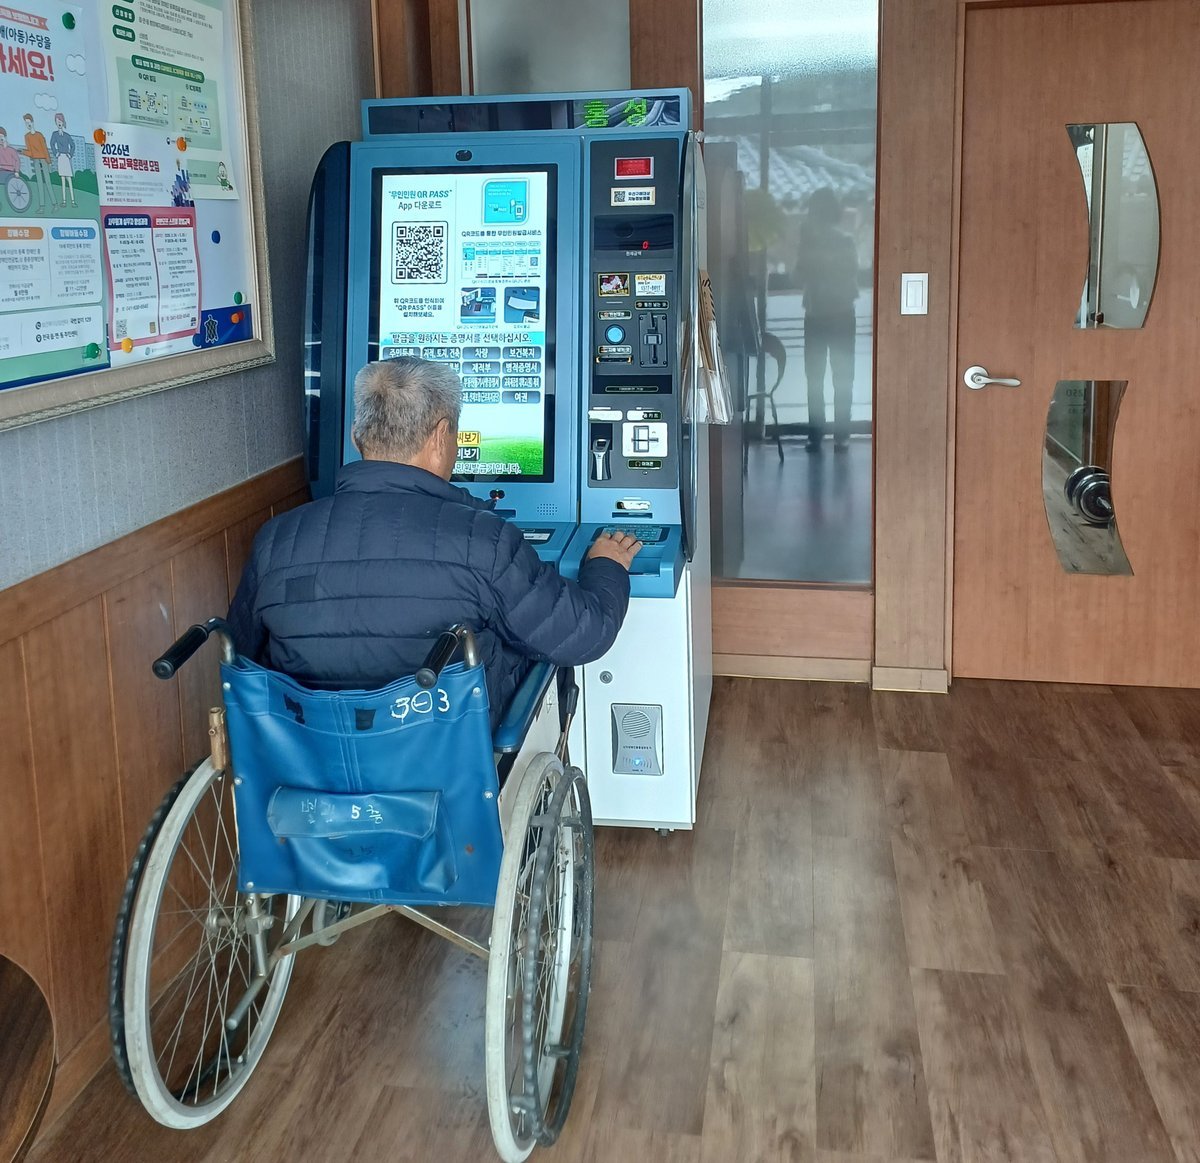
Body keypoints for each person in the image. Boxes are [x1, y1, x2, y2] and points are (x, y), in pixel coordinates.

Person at [228, 358, 640, 726]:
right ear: (442, 436)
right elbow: (585, 634)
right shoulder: (483, 541)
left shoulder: (276, 541)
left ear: (356, 437)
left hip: (312, 759)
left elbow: (244, 661)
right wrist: (606, 565)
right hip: (450, 760)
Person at [795, 186, 859, 451]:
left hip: (817, 315)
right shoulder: (845, 241)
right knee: (843, 378)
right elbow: (852, 275)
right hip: (842, 314)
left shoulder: (813, 242)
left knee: (815, 378)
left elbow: (798, 275)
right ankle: (841, 435)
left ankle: (815, 434)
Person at [20, 113, 56, 211]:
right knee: (39, 183)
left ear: (32, 122)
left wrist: (49, 161)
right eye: (26, 123)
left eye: (29, 122)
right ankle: (42, 207)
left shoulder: (39, 135)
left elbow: (44, 149)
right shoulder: (27, 136)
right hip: (36, 160)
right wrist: (22, 152)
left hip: (43, 160)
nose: (28, 125)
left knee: (48, 182)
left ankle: (54, 204)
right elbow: (30, 152)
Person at [49, 113, 75, 207]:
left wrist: (70, 154)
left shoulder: (67, 135)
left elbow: (73, 145)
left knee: (69, 180)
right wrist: (56, 153)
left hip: (66, 157)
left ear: (63, 122)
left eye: (60, 121)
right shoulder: (55, 134)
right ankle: (64, 201)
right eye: (57, 121)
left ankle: (73, 201)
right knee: (63, 179)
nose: (59, 123)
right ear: (55, 123)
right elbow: (52, 144)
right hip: (60, 157)